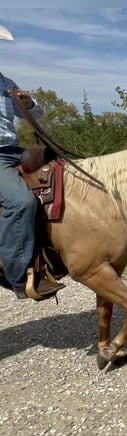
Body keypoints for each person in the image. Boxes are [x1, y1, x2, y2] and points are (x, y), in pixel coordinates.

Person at [0, 24, 65, 300]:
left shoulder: (5, 82)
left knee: (63, 176)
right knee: (21, 202)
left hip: (15, 149)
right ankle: (18, 276)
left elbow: (38, 111)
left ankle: (61, 254)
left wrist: (29, 103)